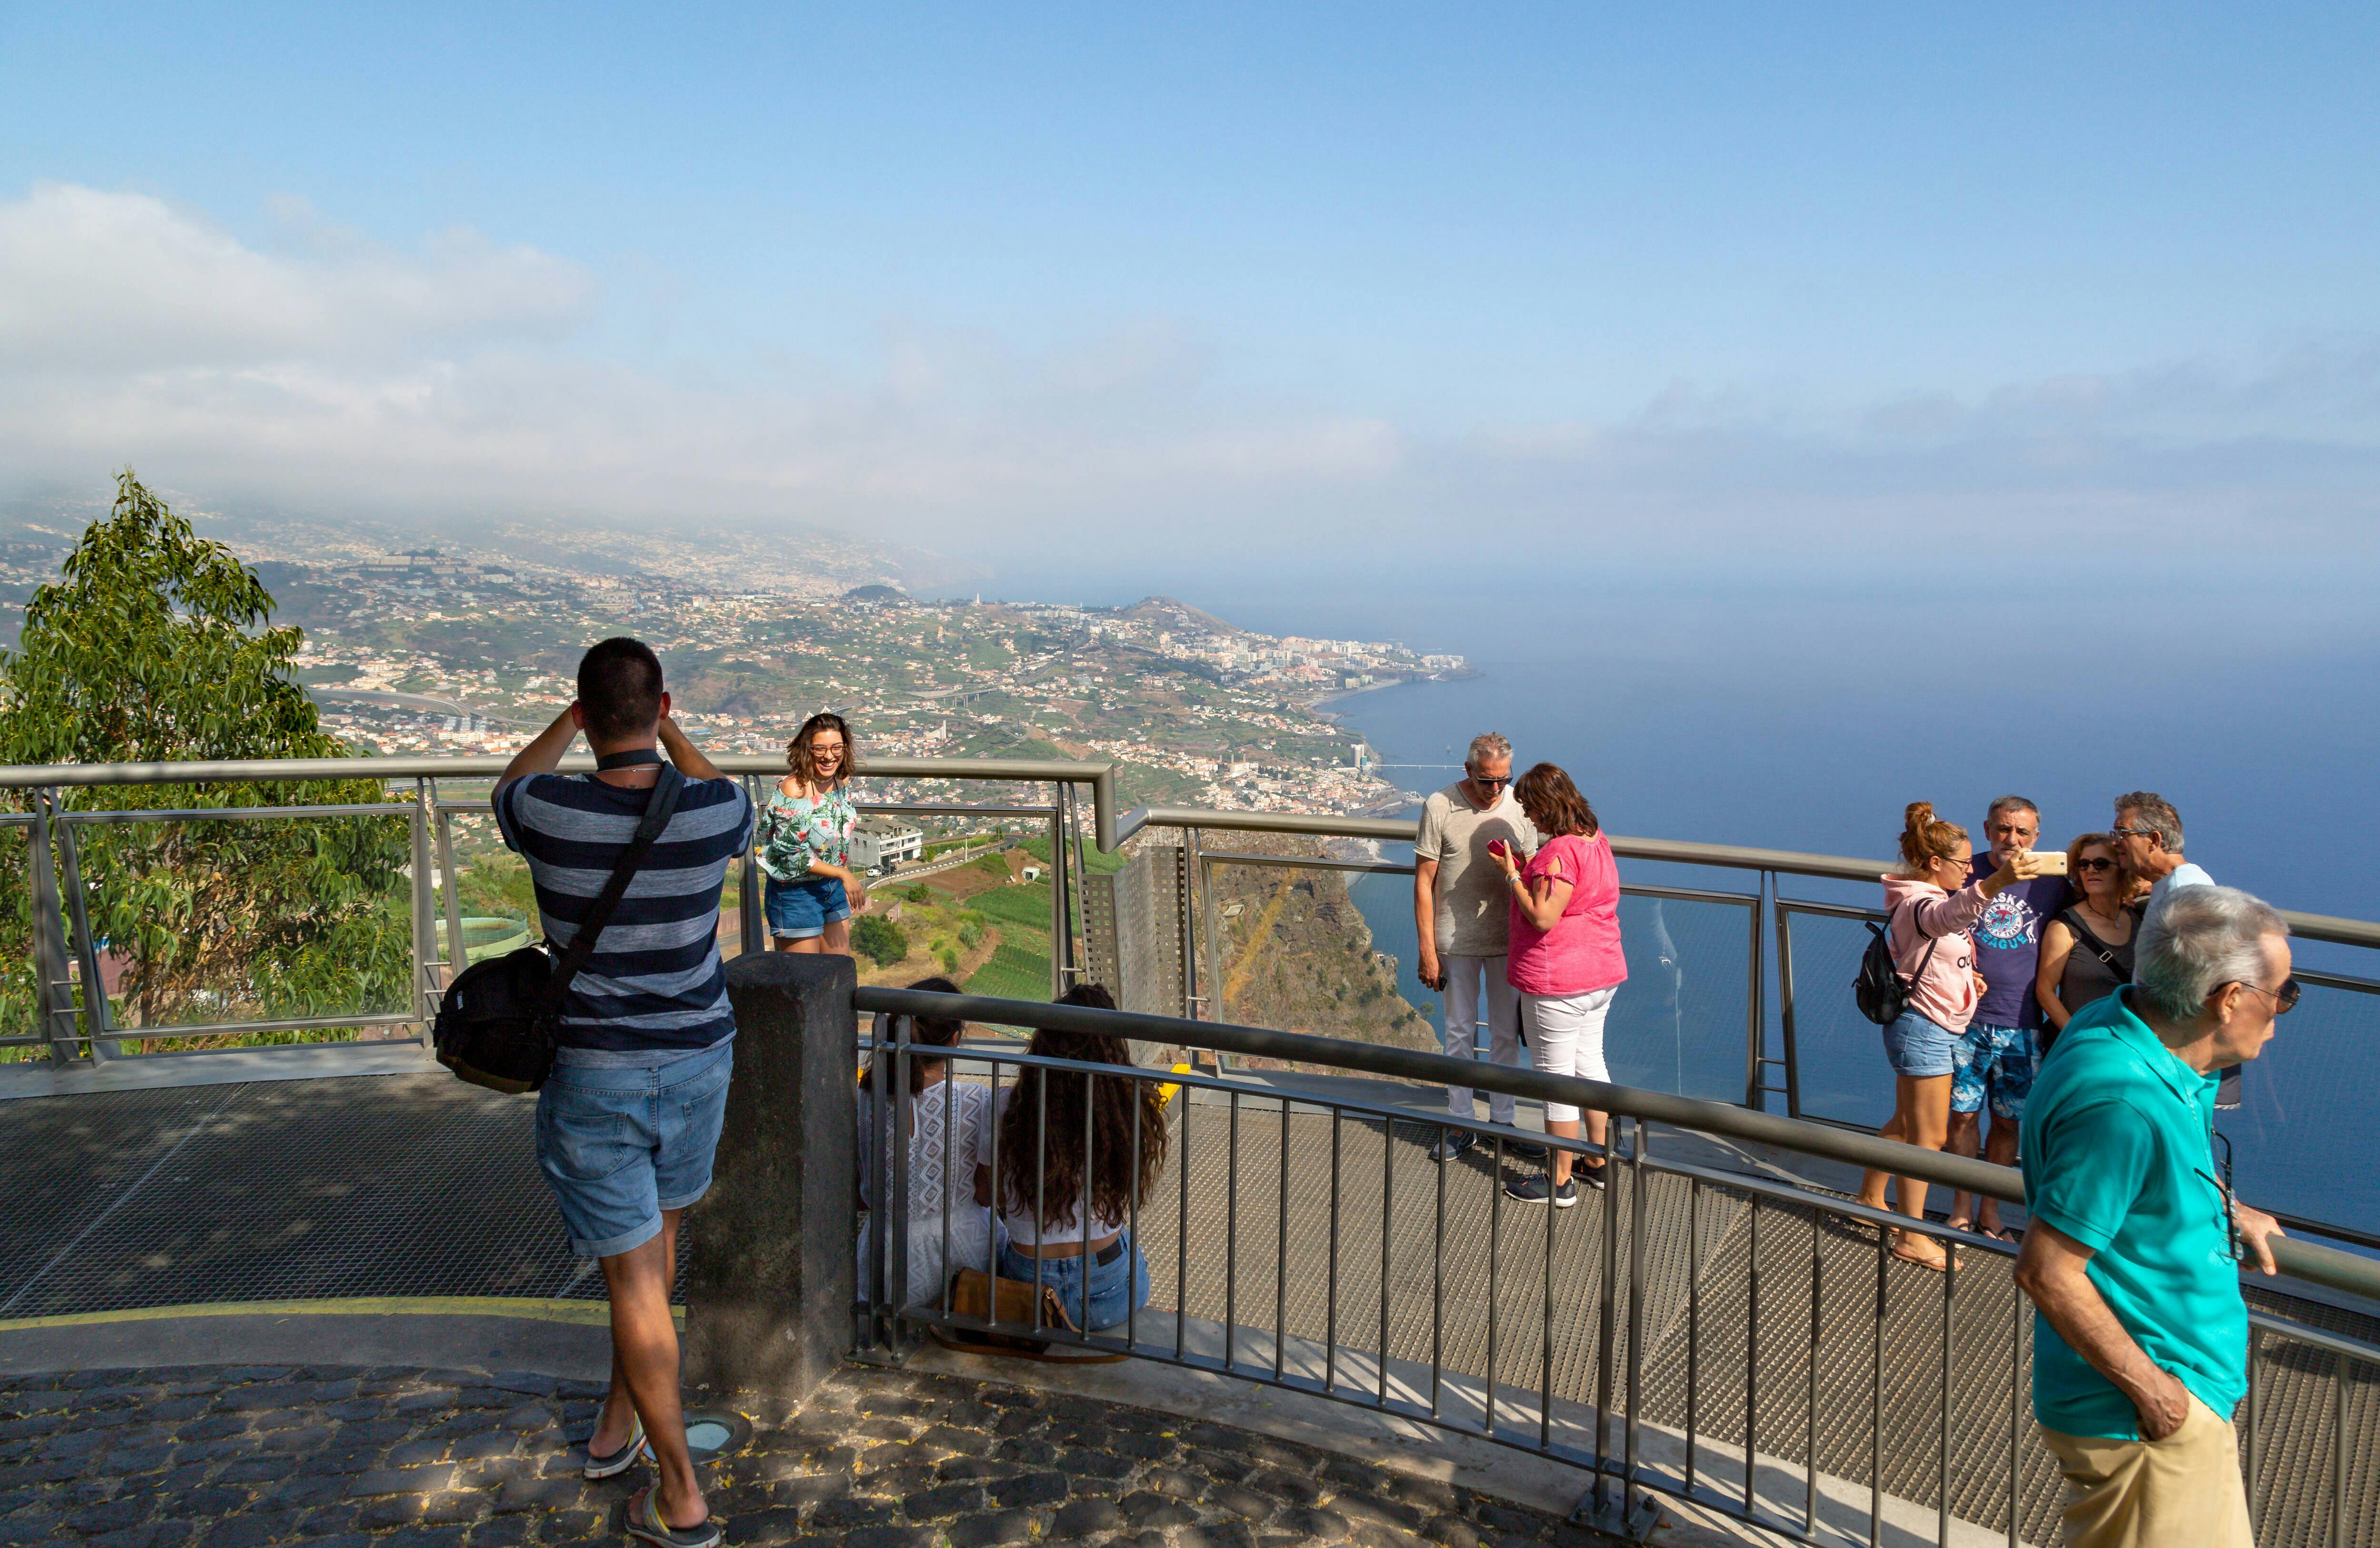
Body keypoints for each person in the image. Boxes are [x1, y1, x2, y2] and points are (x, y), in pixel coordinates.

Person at [493, 638, 753, 1548]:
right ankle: (618, 1425)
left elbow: (508, 786)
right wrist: (672, 734)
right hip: (696, 1064)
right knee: (652, 1255)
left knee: (633, 1276)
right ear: (663, 707)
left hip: (597, 1071)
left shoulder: (550, 808)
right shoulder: (716, 810)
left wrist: (565, 726)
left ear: (584, 714)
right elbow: (722, 786)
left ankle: (679, 1493)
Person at [2013, 886, 2291, 1548]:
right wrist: (2162, 1402)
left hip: (2173, 1402)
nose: (2280, 1013)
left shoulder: (2132, 1031)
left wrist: (2225, 1206)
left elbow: (2145, 1171)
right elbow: (2047, 1271)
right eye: (2282, 993)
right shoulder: (2123, 1102)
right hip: (2146, 1418)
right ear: (2228, 999)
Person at [1854, 802, 2045, 1270]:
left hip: (1923, 1024)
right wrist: (1997, 881)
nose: (1967, 870)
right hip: (1923, 1031)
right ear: (1934, 863)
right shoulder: (1922, 904)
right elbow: (1946, 919)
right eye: (1961, 863)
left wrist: (1966, 979)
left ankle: (1869, 1198)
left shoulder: (1921, 897)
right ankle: (1910, 1235)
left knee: (1904, 1123)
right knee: (1929, 1136)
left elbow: (1939, 954)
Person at [992, 983, 1171, 1330]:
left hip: (1030, 1291)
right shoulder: (1128, 1109)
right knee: (1129, 1243)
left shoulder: (1007, 1108)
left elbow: (995, 1196)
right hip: (1112, 1291)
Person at [1490, 764, 1626, 1207]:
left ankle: (1560, 1180)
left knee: (1556, 1081)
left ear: (1547, 804)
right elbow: (1570, 894)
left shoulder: (1561, 852)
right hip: (1601, 973)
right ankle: (1598, 1161)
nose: (1528, 816)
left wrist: (1513, 874)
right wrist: (1533, 870)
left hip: (1559, 981)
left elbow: (1544, 916)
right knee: (1591, 1066)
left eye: (1531, 807)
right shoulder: (1595, 838)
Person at [1944, 796, 2070, 1241]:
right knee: (1960, 1117)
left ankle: (1990, 1211)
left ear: (2037, 838)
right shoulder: (1964, 871)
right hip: (1966, 1020)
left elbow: (2097, 905)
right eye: (2003, 830)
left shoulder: (2053, 882)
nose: (2011, 840)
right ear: (1987, 829)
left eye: (2022, 833)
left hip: (2023, 1024)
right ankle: (1960, 1207)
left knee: (2006, 1121)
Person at [1413, 733, 1541, 1163]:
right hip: (1456, 941)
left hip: (1509, 941)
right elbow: (1424, 881)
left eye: (1504, 780)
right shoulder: (1439, 806)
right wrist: (1427, 949)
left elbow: (1536, 869)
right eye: (1488, 781)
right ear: (1468, 771)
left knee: (1507, 1035)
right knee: (1459, 1032)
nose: (1496, 790)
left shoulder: (1520, 808)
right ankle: (1461, 1121)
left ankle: (1503, 1122)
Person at [857, 976, 996, 1309]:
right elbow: (986, 1193)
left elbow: (862, 1194)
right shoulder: (977, 1100)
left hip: (884, 1257)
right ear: (955, 1040)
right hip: (963, 1257)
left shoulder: (865, 1099)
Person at [2112, 791, 2236, 1109]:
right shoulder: (2172, 885)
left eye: (2122, 834)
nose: (2116, 843)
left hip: (2173, 1053)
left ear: (2153, 840)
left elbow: (2201, 975)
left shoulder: (2186, 891)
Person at [757, 713, 866, 955]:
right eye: (820, 749)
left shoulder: (841, 782)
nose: (830, 756)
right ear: (808, 750)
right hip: (796, 894)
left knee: (837, 975)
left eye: (837, 748)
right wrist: (844, 874)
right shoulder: (794, 790)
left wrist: (839, 876)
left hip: (832, 888)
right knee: (804, 982)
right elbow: (791, 856)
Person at [2034, 834, 2138, 1050]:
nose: (2091, 871)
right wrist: (2077, 1035)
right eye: (2083, 865)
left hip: (2130, 1047)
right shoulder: (2064, 928)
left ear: (2122, 868)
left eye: (2101, 864)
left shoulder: (2141, 920)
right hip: (2082, 1048)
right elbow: (2045, 990)